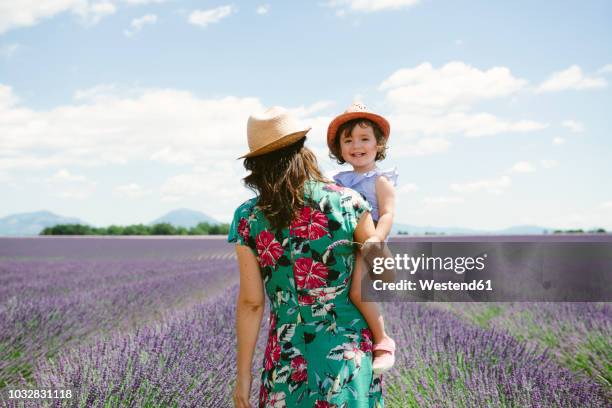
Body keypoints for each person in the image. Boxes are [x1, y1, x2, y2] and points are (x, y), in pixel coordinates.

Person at [229, 106, 393, 407]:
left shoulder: (247, 217)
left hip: (286, 360)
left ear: (256, 164)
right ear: (303, 149)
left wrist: (243, 376)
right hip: (347, 357)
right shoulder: (347, 202)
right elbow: (384, 272)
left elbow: (252, 303)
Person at [327, 103, 397, 375]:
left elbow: (389, 213)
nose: (356, 145)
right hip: (344, 243)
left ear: (379, 144)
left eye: (364, 139)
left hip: (367, 245)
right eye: (349, 140)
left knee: (358, 291)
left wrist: (377, 238)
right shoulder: (337, 179)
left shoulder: (380, 180)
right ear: (340, 149)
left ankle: (382, 340)